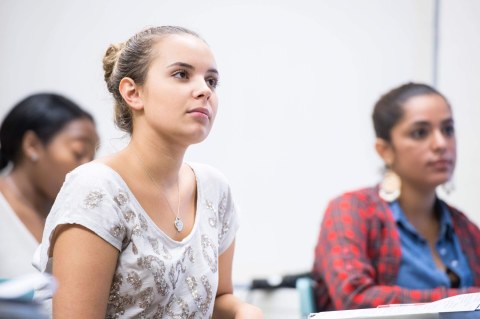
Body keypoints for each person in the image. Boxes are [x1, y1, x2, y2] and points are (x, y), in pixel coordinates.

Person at [33, 26, 263, 318]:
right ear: (133, 92)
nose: (205, 90)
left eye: (212, 81)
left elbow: (219, 299)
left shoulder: (215, 189)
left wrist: (244, 311)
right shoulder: (96, 189)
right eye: (181, 74)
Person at [312, 82, 480, 310]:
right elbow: (354, 297)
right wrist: (464, 300)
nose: (441, 144)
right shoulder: (351, 210)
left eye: (448, 130)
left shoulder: (464, 227)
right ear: (385, 150)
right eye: (420, 133)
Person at [0, 93, 98, 278]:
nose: (88, 167)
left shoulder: (69, 219)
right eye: (78, 153)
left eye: (92, 157)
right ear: (32, 145)